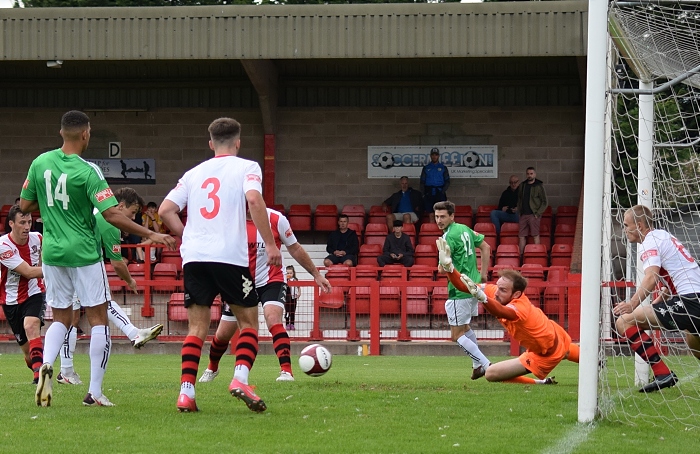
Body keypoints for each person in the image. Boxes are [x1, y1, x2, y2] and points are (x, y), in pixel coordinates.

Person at [20, 110, 176, 408]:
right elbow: (111, 213)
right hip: (83, 253)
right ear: (85, 134)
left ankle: (46, 365)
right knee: (98, 319)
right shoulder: (88, 171)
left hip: (53, 252)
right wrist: (150, 234)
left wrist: (54, 208)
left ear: (61, 133)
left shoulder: (39, 163)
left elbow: (26, 204)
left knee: (61, 318)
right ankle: (94, 392)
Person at [159, 117, 282, 413]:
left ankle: (186, 393)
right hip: (229, 256)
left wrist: (187, 235)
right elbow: (254, 200)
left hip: (195, 257)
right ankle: (240, 378)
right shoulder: (247, 167)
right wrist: (270, 243)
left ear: (211, 143)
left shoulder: (193, 173)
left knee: (197, 327)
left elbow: (165, 210)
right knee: (249, 322)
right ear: (238, 143)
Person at [198, 207, 332, 384]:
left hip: (272, 279)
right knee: (223, 334)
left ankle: (286, 371)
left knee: (273, 318)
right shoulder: (228, 220)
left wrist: (316, 274)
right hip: (240, 282)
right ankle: (212, 367)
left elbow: (295, 248)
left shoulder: (276, 219)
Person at [56, 187, 164, 386]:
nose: (132, 219)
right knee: (102, 302)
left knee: (68, 317)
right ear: (120, 206)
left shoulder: (96, 210)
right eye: (132, 213)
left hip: (62, 258)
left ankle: (60, 369)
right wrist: (130, 281)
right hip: (82, 262)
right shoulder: (110, 223)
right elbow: (117, 263)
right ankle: (133, 334)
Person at [442, 262, 580, 385]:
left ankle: (540, 383)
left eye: (503, 290)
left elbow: (502, 311)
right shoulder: (495, 292)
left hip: (546, 354)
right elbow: (463, 286)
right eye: (498, 288)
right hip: (553, 335)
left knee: (490, 374)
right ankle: (596, 362)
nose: (497, 293)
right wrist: (449, 267)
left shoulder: (520, 308)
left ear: (516, 294)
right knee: (574, 353)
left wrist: (483, 299)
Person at [613, 205, 700, 392]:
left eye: (627, 225)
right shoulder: (662, 235)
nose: (625, 229)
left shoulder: (649, 241)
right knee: (694, 343)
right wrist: (665, 295)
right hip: (694, 298)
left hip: (690, 301)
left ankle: (662, 373)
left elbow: (651, 277)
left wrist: (632, 304)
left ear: (640, 225)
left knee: (624, 322)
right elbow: (679, 270)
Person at [434, 201, 491, 379]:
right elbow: (486, 247)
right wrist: (483, 275)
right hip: (474, 286)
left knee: (456, 335)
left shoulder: (447, 237)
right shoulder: (465, 229)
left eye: (443, 216)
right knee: (465, 328)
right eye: (436, 217)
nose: (439, 220)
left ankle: (487, 365)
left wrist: (443, 264)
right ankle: (477, 367)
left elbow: (442, 270)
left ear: (452, 216)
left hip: (459, 288)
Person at [0, 205, 45, 384]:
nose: (27, 227)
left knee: (31, 325)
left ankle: (39, 378)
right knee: (28, 353)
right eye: (22, 223)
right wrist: (59, 271)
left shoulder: (38, 238)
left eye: (29, 222)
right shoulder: (3, 246)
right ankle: (36, 365)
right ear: (11, 223)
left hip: (35, 292)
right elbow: (28, 272)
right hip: (10, 300)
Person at [517, 167, 548, 255]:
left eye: (531, 173)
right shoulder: (522, 185)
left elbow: (544, 201)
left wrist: (538, 213)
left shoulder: (539, 186)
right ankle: (521, 256)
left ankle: (537, 254)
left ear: (535, 174)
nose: (529, 175)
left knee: (535, 235)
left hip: (533, 214)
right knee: (521, 236)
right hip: (523, 214)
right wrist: (520, 211)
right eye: (528, 174)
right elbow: (519, 199)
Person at [420, 148, 450, 223]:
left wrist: (442, 191)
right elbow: (422, 182)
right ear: (430, 156)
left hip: (439, 193)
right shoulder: (426, 168)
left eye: (436, 155)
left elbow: (447, 181)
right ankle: (432, 231)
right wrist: (423, 194)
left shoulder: (443, 168)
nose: (434, 157)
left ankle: (441, 231)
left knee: (441, 213)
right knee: (431, 213)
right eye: (433, 155)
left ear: (438, 156)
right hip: (429, 193)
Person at [285, 265, 299, 330]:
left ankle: (292, 324)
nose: (289, 274)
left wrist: (299, 293)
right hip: (286, 298)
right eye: (288, 273)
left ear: (293, 273)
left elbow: (298, 287)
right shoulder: (285, 280)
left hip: (293, 297)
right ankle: (287, 323)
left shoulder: (295, 280)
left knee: (293, 311)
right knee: (287, 311)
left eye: (291, 273)